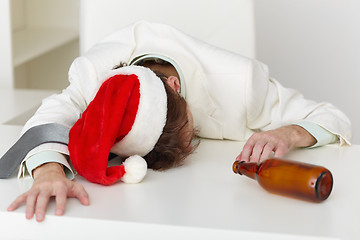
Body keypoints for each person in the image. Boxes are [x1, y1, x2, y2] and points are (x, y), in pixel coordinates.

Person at [6, 21, 351, 221]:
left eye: (187, 132)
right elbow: (50, 115)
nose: (188, 146)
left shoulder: (241, 82)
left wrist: (290, 133)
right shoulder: (90, 76)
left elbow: (332, 117)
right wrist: (49, 171)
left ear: (176, 87)